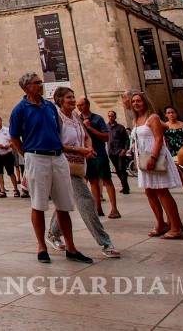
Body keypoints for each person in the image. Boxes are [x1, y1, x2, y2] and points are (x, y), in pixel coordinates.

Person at [8, 72, 91, 264]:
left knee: (64, 204)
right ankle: (41, 247)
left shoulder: (50, 107)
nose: (41, 84)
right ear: (26, 87)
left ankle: (70, 247)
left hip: (57, 156)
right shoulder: (19, 110)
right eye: (37, 83)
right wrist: (27, 154)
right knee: (38, 204)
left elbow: (58, 131)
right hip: (36, 157)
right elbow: (14, 138)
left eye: (40, 82)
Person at [47, 88, 120, 258]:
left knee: (65, 201)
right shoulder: (56, 117)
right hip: (64, 165)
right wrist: (79, 149)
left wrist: (89, 147)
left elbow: (86, 135)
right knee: (86, 200)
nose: (72, 100)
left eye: (73, 97)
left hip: (79, 164)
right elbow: (55, 143)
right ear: (59, 100)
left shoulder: (75, 117)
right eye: (69, 97)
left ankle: (53, 233)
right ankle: (105, 243)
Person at [124, 90, 183, 239]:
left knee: (162, 192)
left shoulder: (153, 117)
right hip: (143, 158)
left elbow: (158, 139)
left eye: (139, 100)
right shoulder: (136, 120)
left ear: (145, 102)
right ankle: (161, 224)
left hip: (154, 157)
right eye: (133, 101)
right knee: (149, 192)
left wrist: (153, 157)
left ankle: (176, 228)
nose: (136, 103)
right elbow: (137, 142)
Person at [77, 97, 118, 218]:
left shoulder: (97, 119)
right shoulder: (77, 119)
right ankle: (98, 208)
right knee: (93, 181)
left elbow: (106, 137)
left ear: (88, 105)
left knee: (106, 180)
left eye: (81, 105)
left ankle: (114, 209)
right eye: (78, 105)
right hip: (87, 155)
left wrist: (90, 128)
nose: (79, 107)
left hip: (99, 154)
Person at [106, 110, 131, 195]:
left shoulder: (120, 127)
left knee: (122, 169)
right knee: (117, 170)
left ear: (115, 117)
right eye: (109, 116)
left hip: (120, 151)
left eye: (112, 116)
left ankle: (125, 188)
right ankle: (125, 186)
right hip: (111, 152)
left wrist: (125, 149)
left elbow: (127, 139)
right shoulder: (106, 127)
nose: (110, 117)